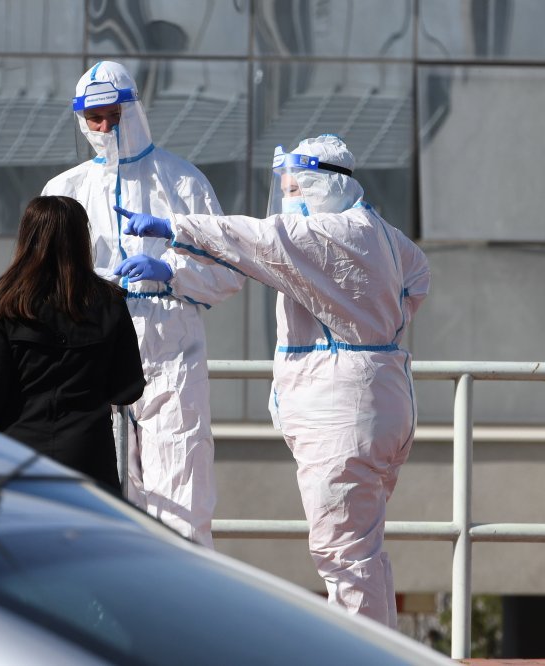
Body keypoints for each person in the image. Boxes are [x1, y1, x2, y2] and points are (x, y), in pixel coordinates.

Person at [117, 134, 430, 628]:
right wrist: (369, 319)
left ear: (319, 185)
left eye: (292, 189)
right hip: (383, 400)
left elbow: (257, 239)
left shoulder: (325, 235)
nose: (287, 201)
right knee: (362, 548)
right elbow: (417, 280)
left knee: (343, 555)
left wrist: (174, 228)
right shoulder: (383, 234)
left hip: (341, 411)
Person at [42, 61, 244, 546]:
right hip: (92, 348)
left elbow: (228, 270)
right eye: (94, 119)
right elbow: (43, 280)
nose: (104, 128)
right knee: (106, 492)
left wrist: (171, 272)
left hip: (170, 350)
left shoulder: (182, 182)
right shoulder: (64, 191)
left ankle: (184, 592)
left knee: (182, 488)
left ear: (133, 110)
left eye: (113, 116)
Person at [0, 195, 145, 494]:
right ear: (80, 239)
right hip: (88, 458)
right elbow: (128, 389)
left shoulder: (8, 303)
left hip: (18, 457)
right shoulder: (110, 302)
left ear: (28, 237)